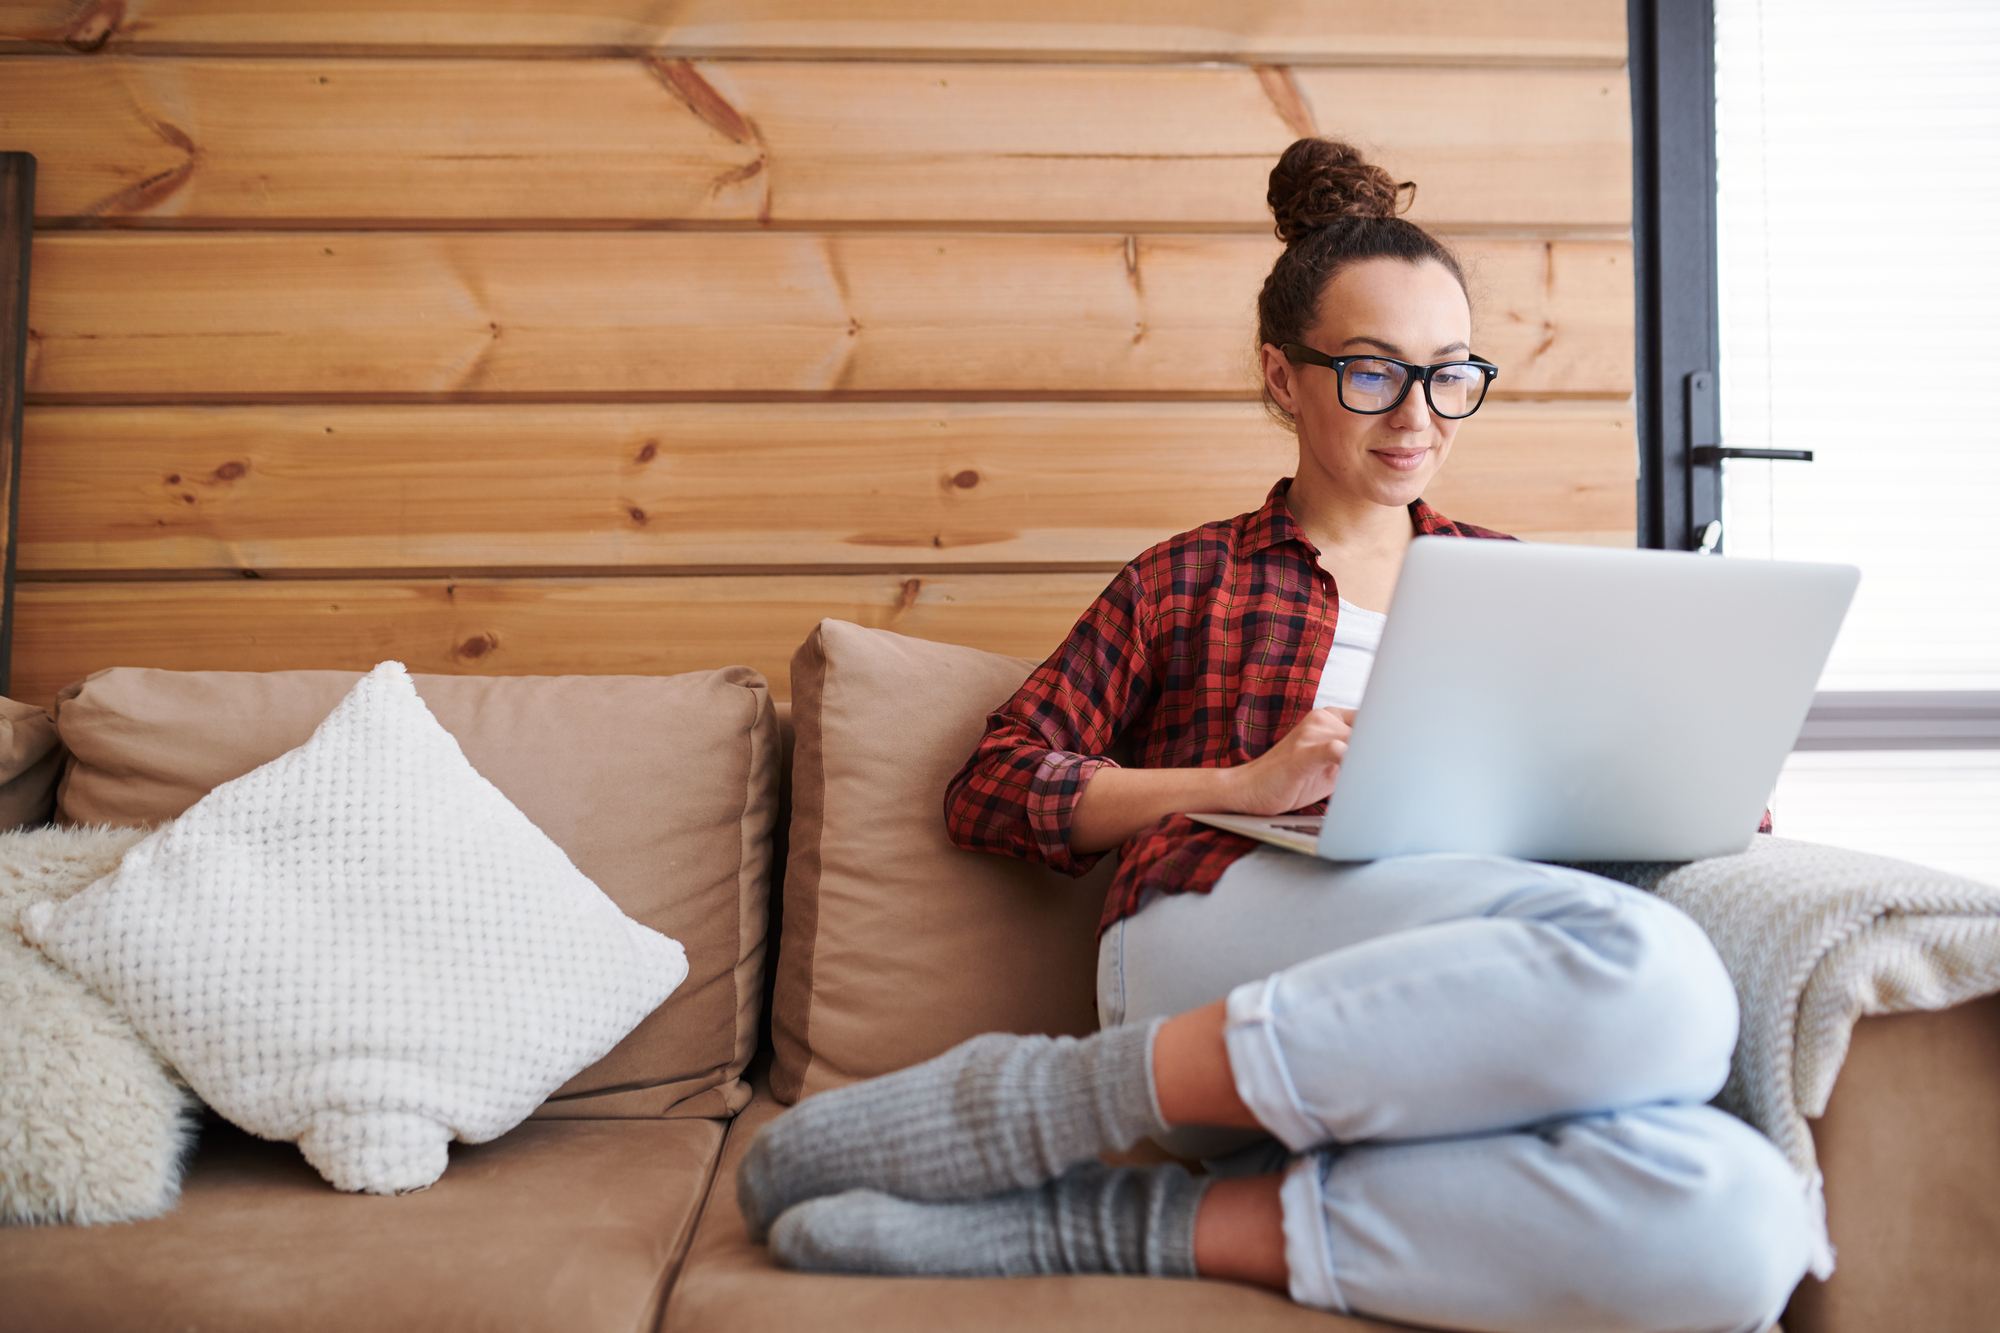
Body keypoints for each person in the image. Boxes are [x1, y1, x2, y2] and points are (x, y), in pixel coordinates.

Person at [735, 139, 1813, 1333]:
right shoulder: (1187, 579)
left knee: (1739, 1227)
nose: (1417, 415)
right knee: (1654, 977)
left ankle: (1109, 1222)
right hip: (1217, 913)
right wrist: (1241, 780)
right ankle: (1057, 1097)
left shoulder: (1523, 588)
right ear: (1280, 376)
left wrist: (1687, 772)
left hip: (1470, 981)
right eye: (1370, 373)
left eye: (1451, 374)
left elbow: (1688, 808)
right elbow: (997, 786)